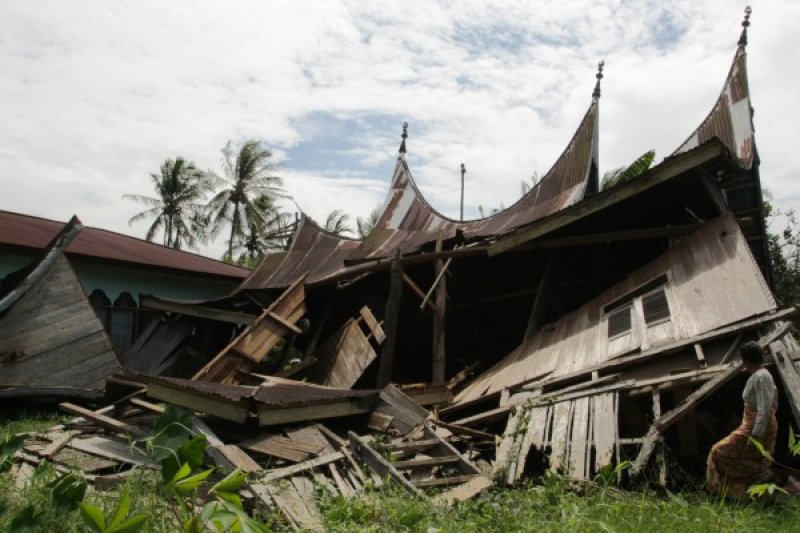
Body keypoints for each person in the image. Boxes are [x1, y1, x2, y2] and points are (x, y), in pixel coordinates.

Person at [706, 341, 778, 496]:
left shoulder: (760, 376)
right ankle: (749, 492)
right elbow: (774, 401)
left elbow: (765, 408)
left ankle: (762, 477)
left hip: (756, 427)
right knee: (749, 456)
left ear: (745, 360)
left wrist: (755, 434)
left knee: (718, 451)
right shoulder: (762, 375)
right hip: (756, 424)